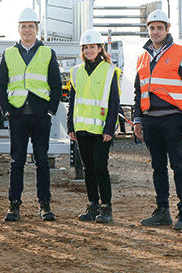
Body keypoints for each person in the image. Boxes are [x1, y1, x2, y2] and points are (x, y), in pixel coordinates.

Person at [133, 10, 182, 231]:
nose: (155, 32)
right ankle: (162, 211)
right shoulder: (142, 56)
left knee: (179, 166)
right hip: (150, 121)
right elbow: (139, 91)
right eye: (151, 28)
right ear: (148, 30)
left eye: (159, 27)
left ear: (167, 29)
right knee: (158, 168)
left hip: (174, 119)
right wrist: (137, 120)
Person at [0, 8, 62, 222]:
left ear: (37, 29)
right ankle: (14, 205)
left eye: (31, 26)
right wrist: (6, 110)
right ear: (18, 29)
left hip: (41, 115)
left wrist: (50, 110)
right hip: (17, 115)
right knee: (17, 162)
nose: (27, 30)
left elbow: (56, 85)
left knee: (42, 161)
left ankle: (44, 204)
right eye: (23, 26)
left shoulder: (47, 52)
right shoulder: (8, 54)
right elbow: (0, 85)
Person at [67, 29, 121, 223]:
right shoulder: (76, 72)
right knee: (88, 168)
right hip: (81, 128)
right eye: (86, 47)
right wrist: (70, 126)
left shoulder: (109, 71)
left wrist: (110, 129)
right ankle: (92, 205)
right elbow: (72, 101)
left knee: (100, 167)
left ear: (100, 48)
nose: (89, 50)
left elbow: (114, 102)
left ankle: (106, 207)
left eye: (93, 47)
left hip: (101, 130)